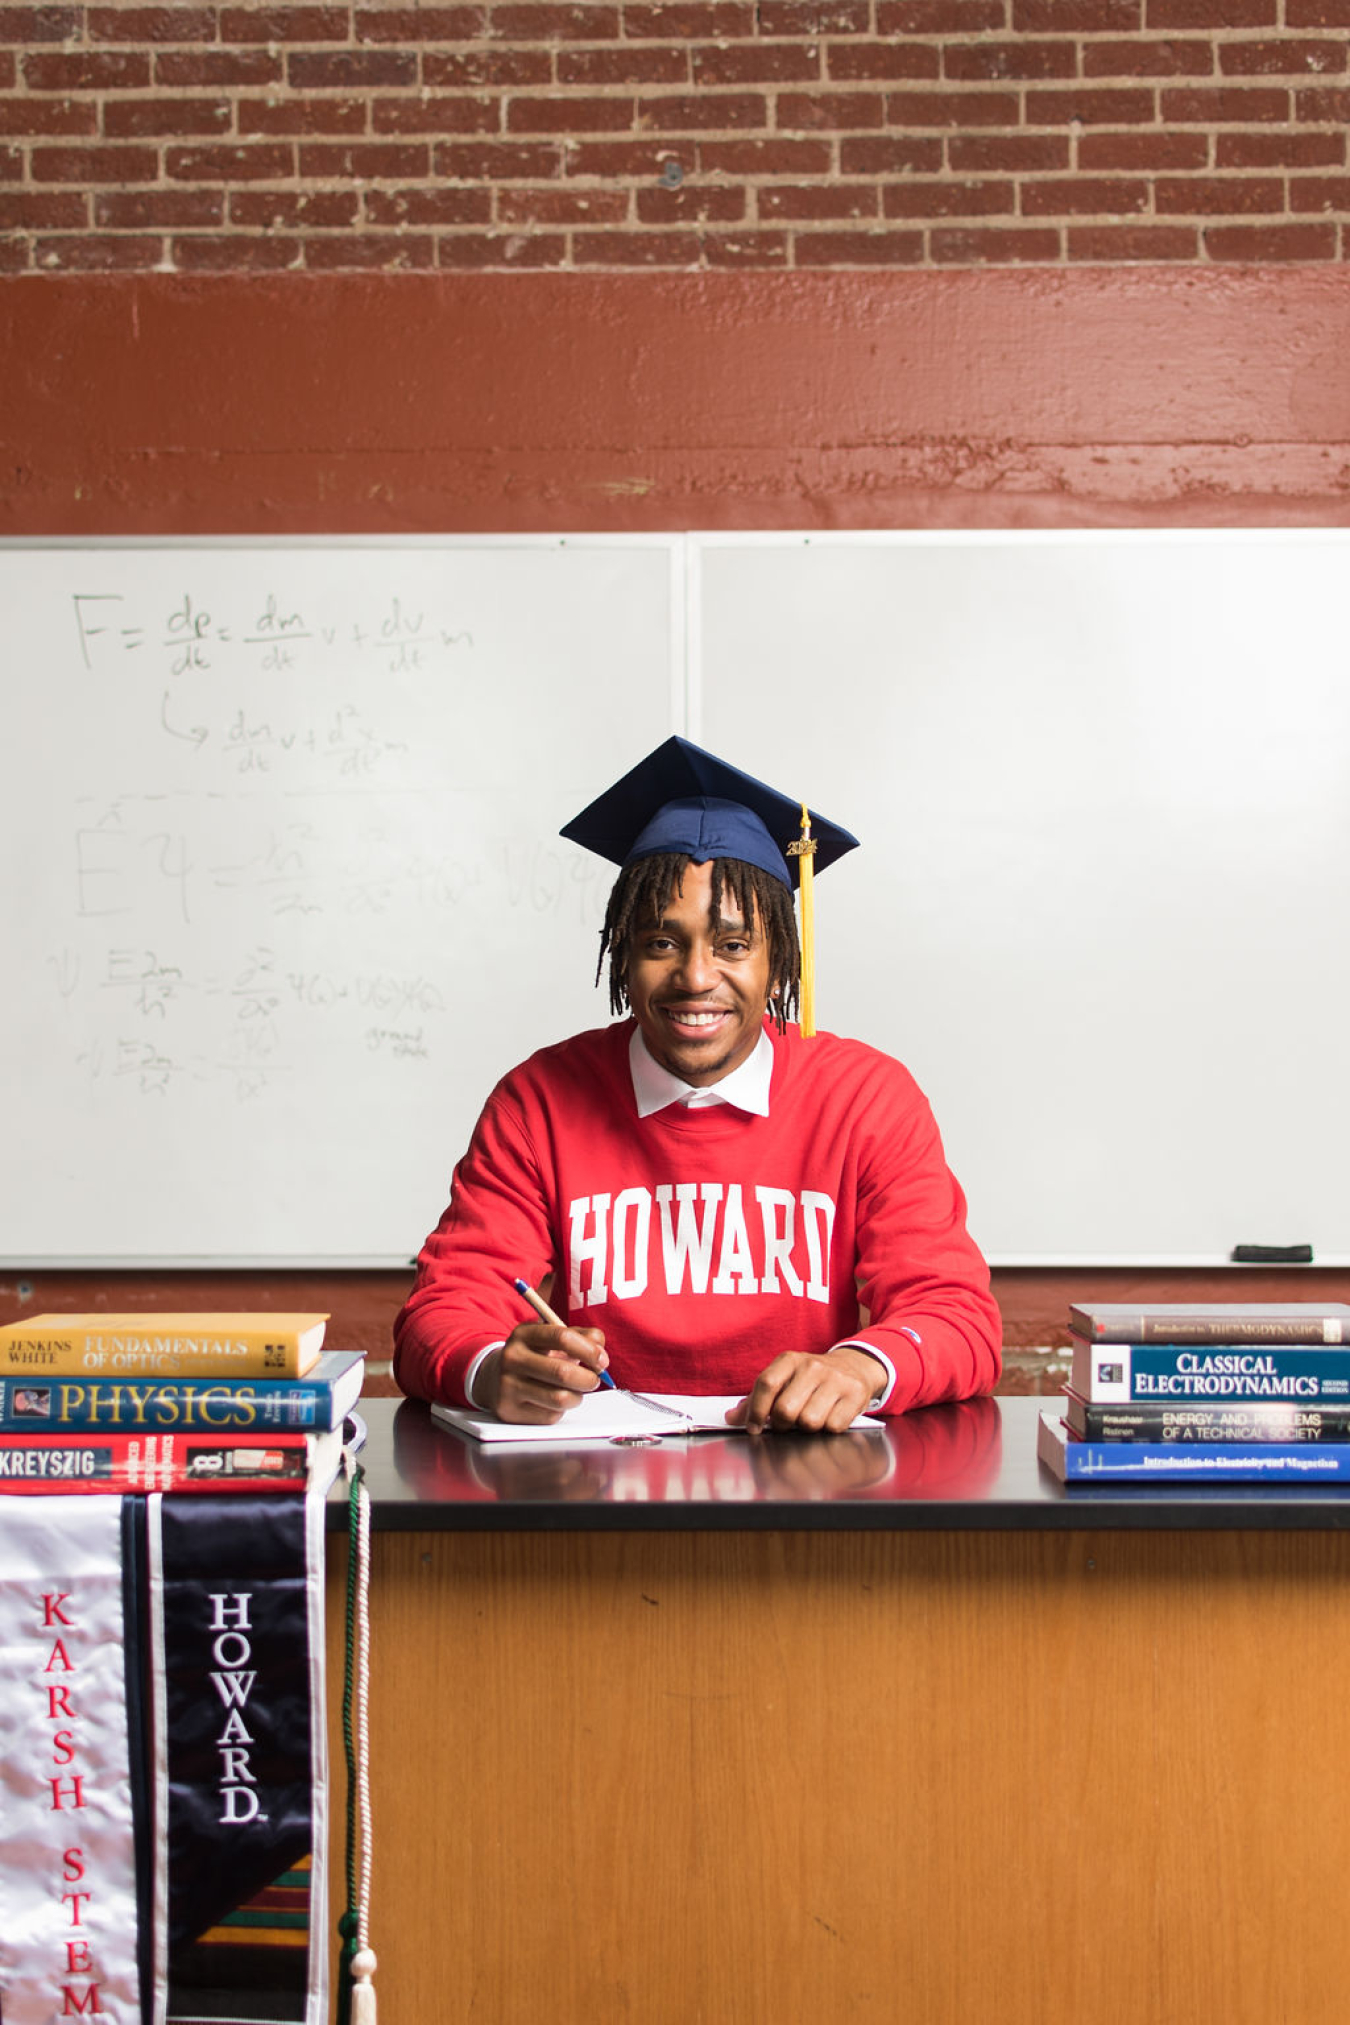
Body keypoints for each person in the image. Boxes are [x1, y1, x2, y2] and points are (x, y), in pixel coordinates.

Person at [393, 737, 1001, 1430]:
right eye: (661, 942)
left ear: (779, 962)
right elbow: (438, 1315)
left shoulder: (867, 1098)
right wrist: (494, 1368)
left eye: (734, 945)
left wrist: (859, 1368)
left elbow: (958, 1318)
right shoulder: (539, 1101)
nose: (696, 976)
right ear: (623, 951)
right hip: (598, 1492)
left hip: (804, 1493)